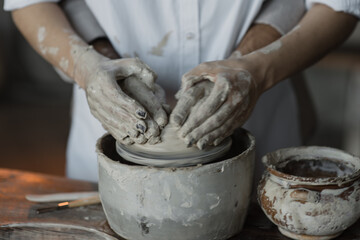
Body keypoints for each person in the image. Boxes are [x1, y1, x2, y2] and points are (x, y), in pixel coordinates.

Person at [4, 0, 359, 183]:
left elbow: (341, 5)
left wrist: (255, 70)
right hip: (110, 117)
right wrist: (90, 65)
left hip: (259, 114)